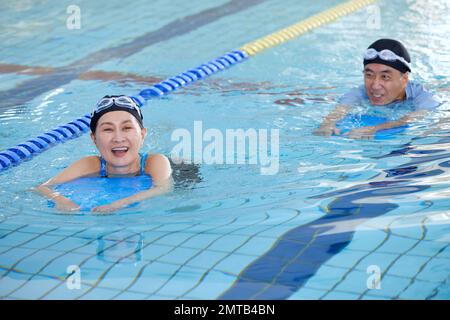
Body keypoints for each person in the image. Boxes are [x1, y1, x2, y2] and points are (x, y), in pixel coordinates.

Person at [35, 95, 172, 212]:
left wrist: (118, 204)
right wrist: (60, 200)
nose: (118, 138)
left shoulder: (155, 162)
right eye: (108, 129)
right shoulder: (90, 165)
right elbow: (42, 187)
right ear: (94, 138)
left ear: (142, 135)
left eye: (127, 128)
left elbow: (162, 188)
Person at [314, 38, 441, 139]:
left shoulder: (425, 97)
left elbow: (411, 119)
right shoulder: (358, 92)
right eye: (369, 75)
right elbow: (340, 110)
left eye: (385, 77)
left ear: (404, 79)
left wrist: (375, 128)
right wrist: (327, 124)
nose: (375, 85)